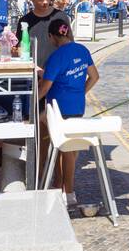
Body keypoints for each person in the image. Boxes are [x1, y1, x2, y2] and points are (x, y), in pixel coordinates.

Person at [39, 18, 99, 208]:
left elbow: (45, 88)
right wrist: (81, 91)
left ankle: (67, 191)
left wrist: (32, 101)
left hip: (58, 108)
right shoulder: (82, 50)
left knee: (63, 149)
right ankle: (63, 188)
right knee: (68, 150)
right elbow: (94, 76)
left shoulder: (56, 57)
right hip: (77, 106)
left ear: (51, 36)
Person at [15, 0, 69, 70]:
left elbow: (69, 42)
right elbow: (21, 47)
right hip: (34, 69)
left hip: (57, 70)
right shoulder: (25, 21)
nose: (45, 2)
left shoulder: (60, 16)